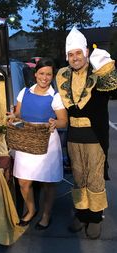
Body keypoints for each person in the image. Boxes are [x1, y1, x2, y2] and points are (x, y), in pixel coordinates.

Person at [56, 26, 117, 239]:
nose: (75, 58)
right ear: (67, 56)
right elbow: (65, 103)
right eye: (71, 54)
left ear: (86, 53)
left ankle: (95, 216)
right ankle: (81, 214)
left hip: (95, 135)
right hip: (73, 136)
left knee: (95, 178)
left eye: (78, 53)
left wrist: (107, 67)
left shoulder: (97, 70)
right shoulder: (62, 75)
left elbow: (112, 89)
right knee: (79, 178)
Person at [10, 57, 68, 229]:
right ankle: (31, 209)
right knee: (23, 181)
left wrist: (54, 123)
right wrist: (13, 117)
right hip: (25, 141)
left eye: (49, 74)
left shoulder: (55, 96)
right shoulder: (24, 92)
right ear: (35, 74)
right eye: (42, 73)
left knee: (48, 183)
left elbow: (64, 121)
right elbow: (19, 114)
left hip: (47, 142)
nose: (45, 77)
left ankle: (46, 215)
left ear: (53, 76)